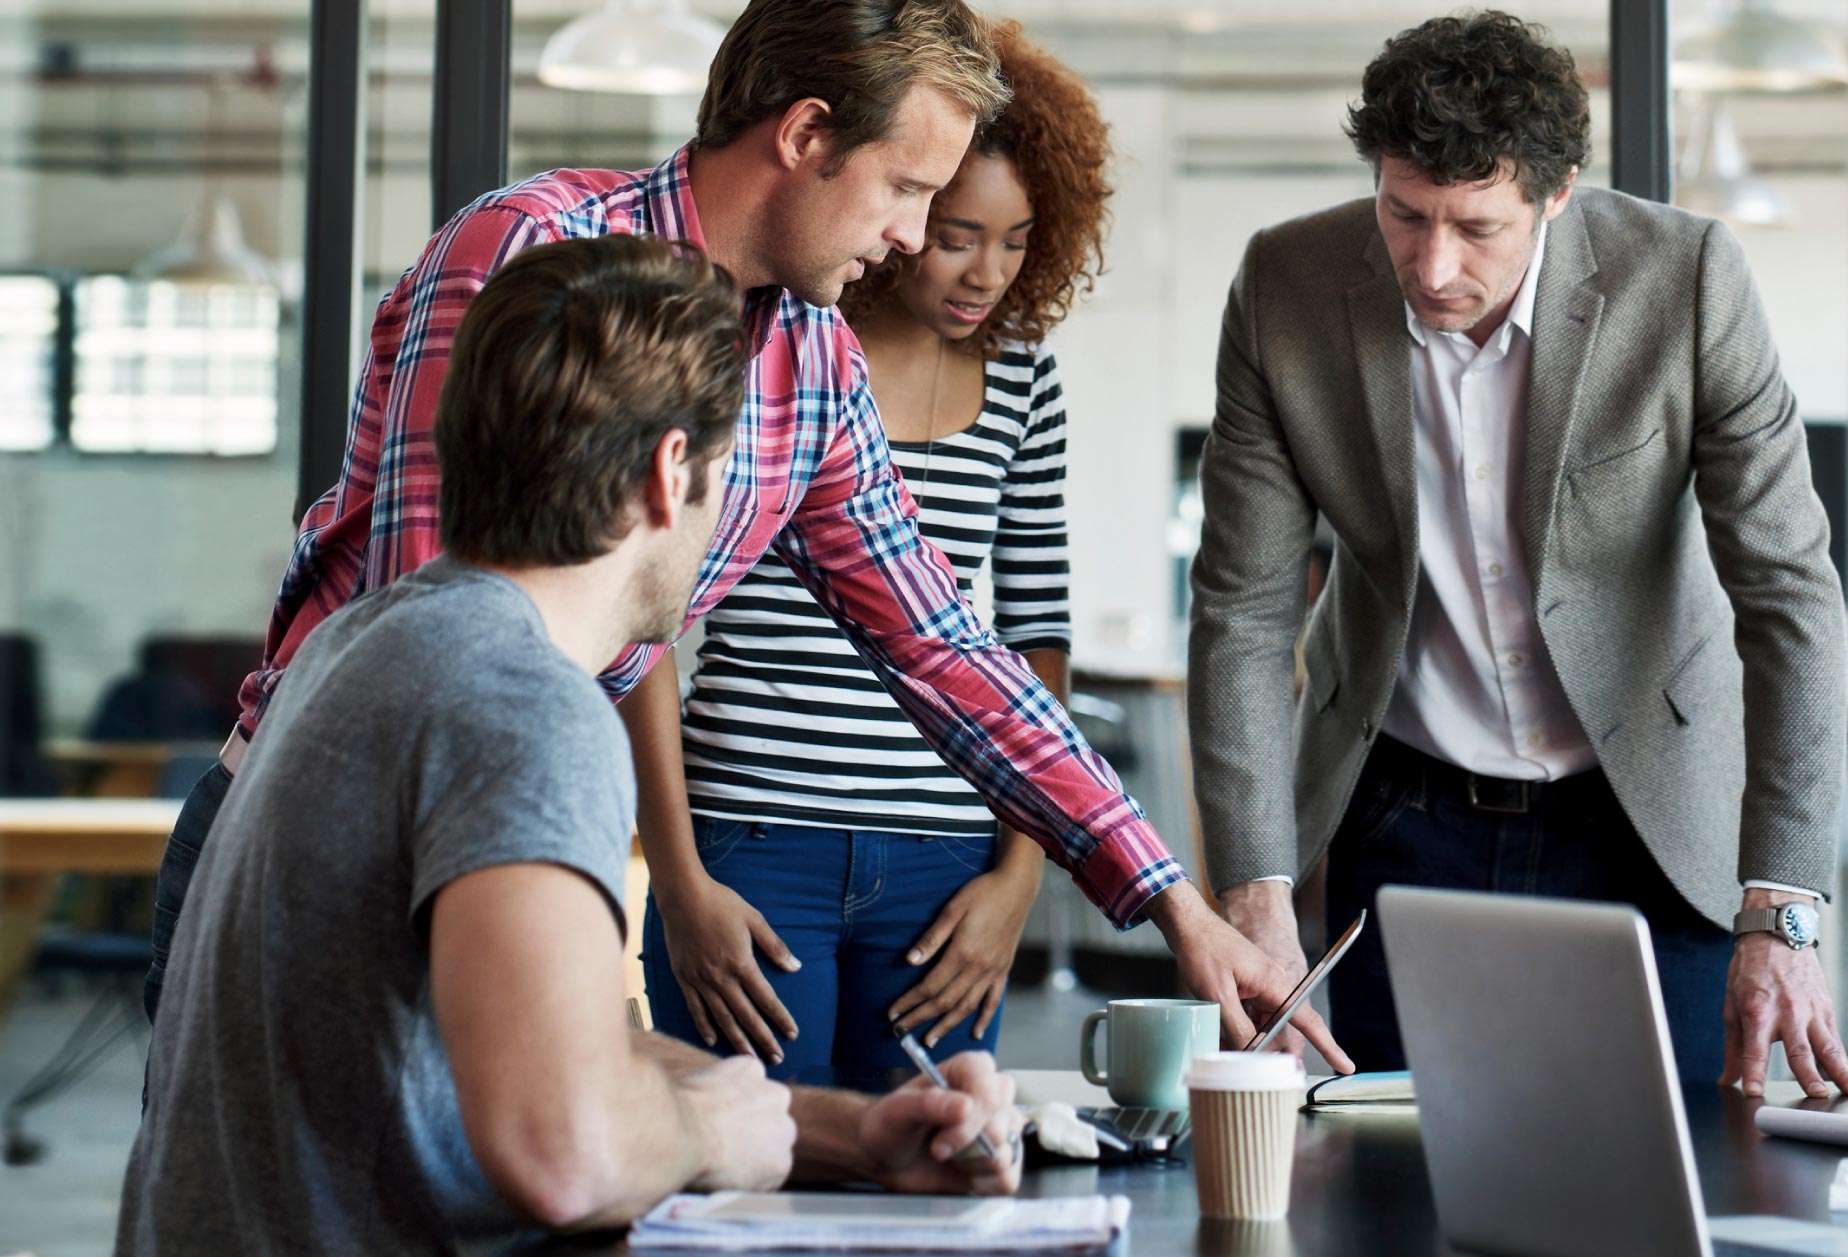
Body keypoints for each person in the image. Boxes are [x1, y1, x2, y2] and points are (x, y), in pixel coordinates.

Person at [138, 0, 1345, 1072]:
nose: (920, 239)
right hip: (326, 845)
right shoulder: (531, 253)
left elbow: (940, 643)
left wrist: (1173, 899)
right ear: (806, 134)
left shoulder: (810, 360)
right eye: (907, 189)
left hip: (497, 859)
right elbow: (434, 636)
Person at [113, 236, 1025, 1257]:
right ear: (667, 474)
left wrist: (854, 1131)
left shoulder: (366, 644)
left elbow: (563, 1049)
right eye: (726, 476)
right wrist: (707, 1133)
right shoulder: (522, 704)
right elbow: (564, 1149)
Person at [1187, 10, 1848, 1097]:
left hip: (1650, 819)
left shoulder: (1684, 280)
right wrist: (1253, 887)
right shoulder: (1285, 286)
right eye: (1404, 214)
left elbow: (1788, 594)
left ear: (1556, 194)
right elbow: (1242, 608)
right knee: (1397, 1195)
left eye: (1476, 227)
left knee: (1671, 1193)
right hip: (1405, 820)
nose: (1434, 264)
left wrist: (1781, 903)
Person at [634, 21, 1111, 1086]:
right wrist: (675, 874)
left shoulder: (1023, 385)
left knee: (934, 1186)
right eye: (947, 226)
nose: (984, 270)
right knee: (744, 1186)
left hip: (944, 864)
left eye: (1018, 239)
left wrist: (1019, 878)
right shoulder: (772, 346)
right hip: (752, 838)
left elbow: (1017, 638)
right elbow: (644, 619)